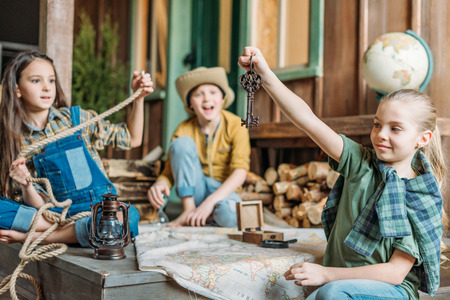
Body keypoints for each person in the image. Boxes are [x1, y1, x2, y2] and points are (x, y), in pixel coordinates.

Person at [238, 46, 446, 300]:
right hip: (339, 285)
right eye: (377, 124)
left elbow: (394, 274)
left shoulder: (419, 198)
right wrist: (265, 74)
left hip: (390, 291)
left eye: (396, 129)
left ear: (421, 139)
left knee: (330, 293)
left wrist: (326, 274)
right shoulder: (361, 163)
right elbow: (308, 120)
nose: (381, 134)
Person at [0, 50, 154, 247]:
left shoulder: (77, 119)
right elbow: (40, 206)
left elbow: (132, 139)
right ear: (17, 89)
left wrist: (139, 99)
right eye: (36, 81)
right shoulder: (15, 141)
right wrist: (26, 185)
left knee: (127, 216)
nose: (47, 88)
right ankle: (76, 231)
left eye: (51, 80)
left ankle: (46, 236)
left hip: (96, 209)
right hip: (51, 215)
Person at [147, 67, 250, 227]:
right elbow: (169, 172)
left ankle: (205, 216)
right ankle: (189, 211)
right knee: (181, 143)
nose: (206, 99)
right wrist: (161, 183)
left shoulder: (237, 125)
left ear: (223, 98)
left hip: (224, 192)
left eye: (213, 92)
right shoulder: (183, 129)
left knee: (230, 216)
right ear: (190, 105)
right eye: (198, 94)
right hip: (195, 191)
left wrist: (210, 202)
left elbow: (240, 172)